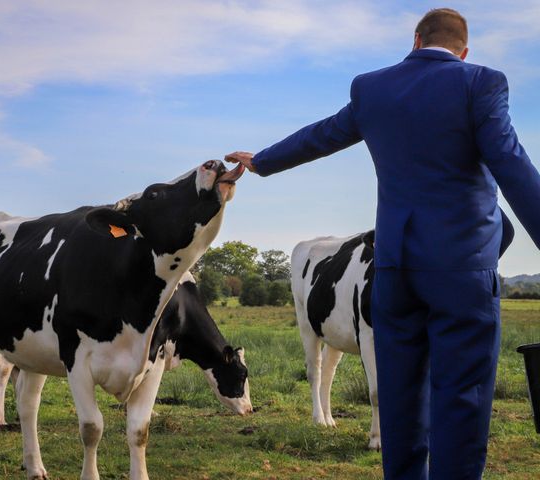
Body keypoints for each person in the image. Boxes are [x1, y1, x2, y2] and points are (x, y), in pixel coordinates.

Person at [225, 8, 540, 480]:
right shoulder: (482, 83)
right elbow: (513, 168)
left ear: (415, 41)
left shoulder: (372, 87)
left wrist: (263, 161)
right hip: (461, 268)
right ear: (464, 51)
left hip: (391, 269)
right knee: (462, 394)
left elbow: (321, 136)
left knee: (399, 393)